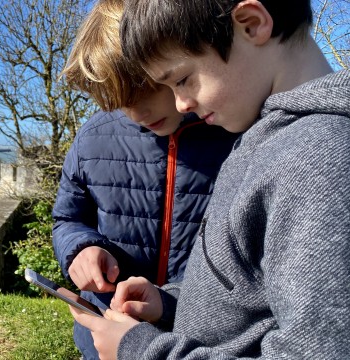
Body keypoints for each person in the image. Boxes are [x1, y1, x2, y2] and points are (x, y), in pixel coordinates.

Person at [69, 0, 350, 358]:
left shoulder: (317, 159)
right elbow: (250, 293)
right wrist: (169, 300)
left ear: (251, 24)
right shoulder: (265, 139)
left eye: (183, 79)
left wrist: (142, 351)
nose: (181, 104)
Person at [52, 0, 238, 358]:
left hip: (201, 340)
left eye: (145, 88)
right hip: (103, 334)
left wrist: (170, 301)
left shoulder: (232, 129)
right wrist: (81, 249)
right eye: (119, 99)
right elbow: (68, 217)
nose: (136, 112)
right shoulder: (93, 135)